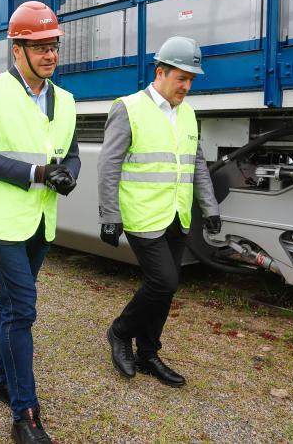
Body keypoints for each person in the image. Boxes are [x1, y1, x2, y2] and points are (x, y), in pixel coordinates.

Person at [0, 1, 80, 444]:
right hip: (1, 220)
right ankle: (24, 415)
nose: (50, 54)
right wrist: (37, 174)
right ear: (17, 50)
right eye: (39, 46)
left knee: (11, 303)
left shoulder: (65, 100)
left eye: (53, 45)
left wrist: (70, 172)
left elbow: (69, 152)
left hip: (40, 220)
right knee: (23, 309)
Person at [98, 36, 221, 388]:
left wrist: (209, 207)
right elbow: (109, 166)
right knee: (163, 281)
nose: (187, 86)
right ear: (160, 71)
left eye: (191, 80)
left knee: (167, 288)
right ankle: (120, 332)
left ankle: (148, 353)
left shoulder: (188, 113)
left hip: (177, 214)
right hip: (142, 215)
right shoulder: (128, 107)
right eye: (181, 78)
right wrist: (110, 215)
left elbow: (196, 164)